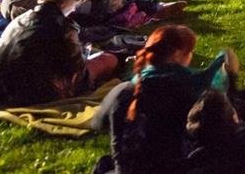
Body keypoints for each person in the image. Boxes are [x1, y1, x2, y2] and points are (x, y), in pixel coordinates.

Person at [91, 25, 236, 174]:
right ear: (177, 54)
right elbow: (218, 107)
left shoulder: (124, 90)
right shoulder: (187, 88)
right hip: (172, 168)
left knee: (106, 162)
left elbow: (98, 122)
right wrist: (228, 69)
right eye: (190, 51)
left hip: (127, 170)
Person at [0, 0, 120, 107]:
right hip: (29, 96)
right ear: (67, 2)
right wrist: (85, 55)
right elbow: (76, 67)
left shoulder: (20, 19)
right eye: (75, 5)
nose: (75, 9)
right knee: (108, 59)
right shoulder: (65, 27)